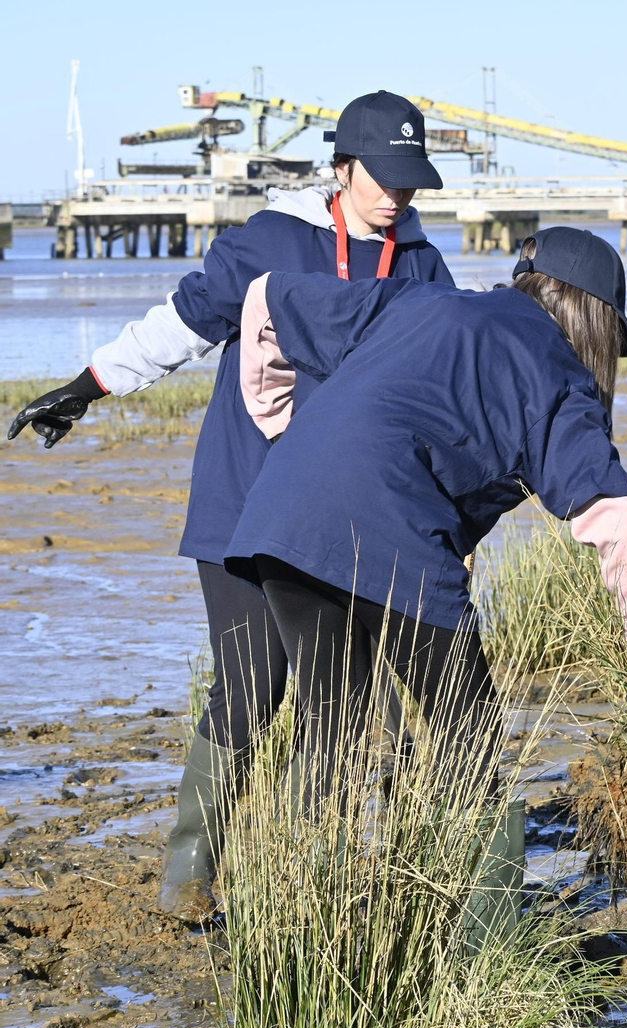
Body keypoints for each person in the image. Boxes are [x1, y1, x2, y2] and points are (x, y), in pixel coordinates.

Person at [5, 90, 453, 923]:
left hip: (348, 521)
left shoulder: (423, 264)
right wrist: (88, 385)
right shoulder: (276, 239)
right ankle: (188, 877)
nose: (398, 194)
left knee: (342, 698)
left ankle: (308, 880)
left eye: (411, 179)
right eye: (383, 176)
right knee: (251, 685)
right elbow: (183, 322)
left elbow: (439, 390)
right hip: (244, 505)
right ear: (343, 167)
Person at [227, 227, 627, 937]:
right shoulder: (559, 378)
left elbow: (266, 300)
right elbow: (618, 525)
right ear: (593, 320)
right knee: (468, 737)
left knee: (332, 729)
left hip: (280, 514)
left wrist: (278, 427)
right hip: (394, 532)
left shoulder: (420, 303)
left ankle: (292, 927)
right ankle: (483, 940)